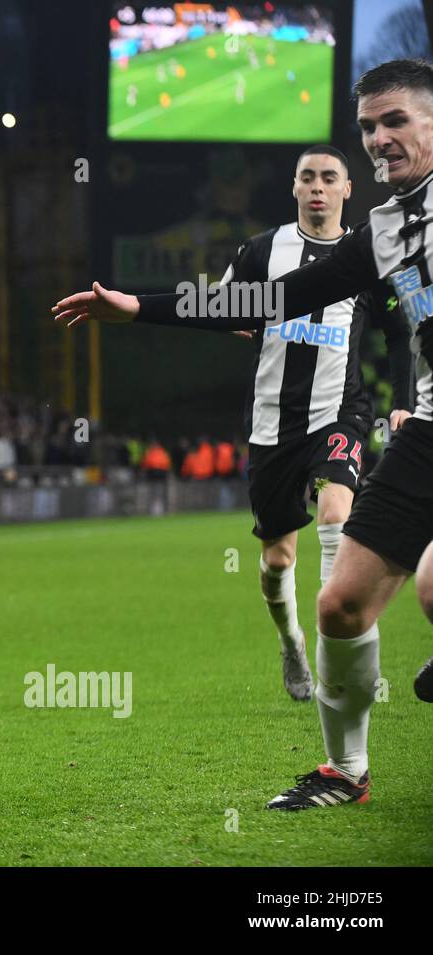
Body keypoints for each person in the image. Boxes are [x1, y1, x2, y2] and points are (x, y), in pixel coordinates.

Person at [52, 58, 433, 810]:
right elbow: (273, 298)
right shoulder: (385, 231)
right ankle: (344, 774)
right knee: (339, 605)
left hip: (357, 417)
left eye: (397, 121)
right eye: (368, 127)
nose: (380, 138)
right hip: (425, 428)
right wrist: (140, 307)